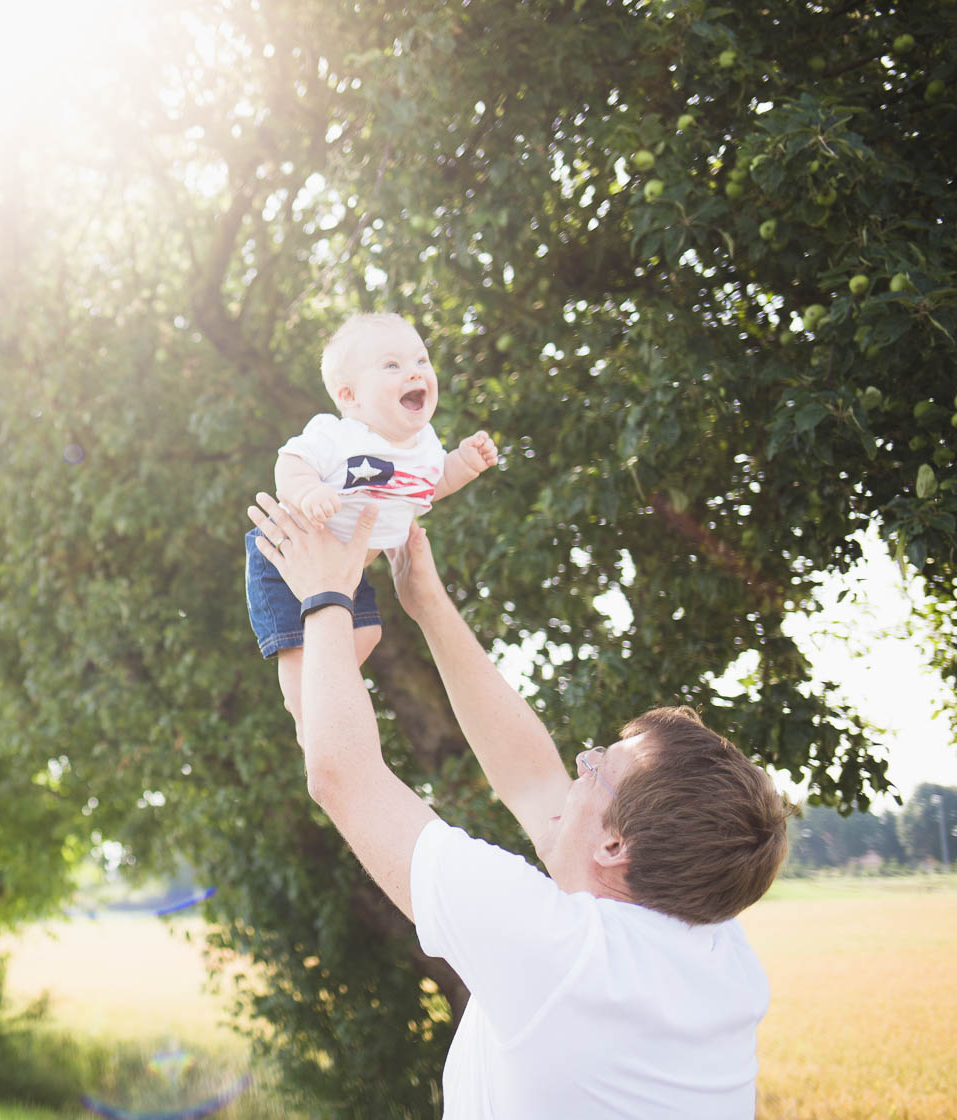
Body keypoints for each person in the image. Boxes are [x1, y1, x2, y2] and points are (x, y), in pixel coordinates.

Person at [246, 494, 793, 1119]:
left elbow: (343, 777)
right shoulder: (713, 941)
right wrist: (427, 602)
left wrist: (324, 593)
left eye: (596, 767)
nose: (578, 766)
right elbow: (532, 779)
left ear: (615, 846)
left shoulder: (560, 955)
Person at [244, 312, 497, 744]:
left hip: (347, 570)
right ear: (349, 395)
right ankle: (305, 716)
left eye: (421, 360)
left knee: (368, 632)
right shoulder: (337, 435)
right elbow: (290, 463)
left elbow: (431, 486)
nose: (415, 371)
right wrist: (308, 492)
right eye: (392, 365)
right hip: (289, 555)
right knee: (297, 650)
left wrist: (464, 463)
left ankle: (326, 692)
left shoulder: (425, 447)